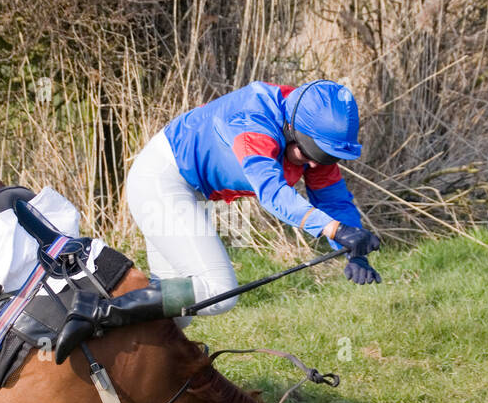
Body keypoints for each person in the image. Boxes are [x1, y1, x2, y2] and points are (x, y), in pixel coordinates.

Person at [53, 79, 380, 363]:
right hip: (161, 180)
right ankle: (94, 311)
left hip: (184, 190)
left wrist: (356, 250)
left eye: (325, 158)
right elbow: (272, 192)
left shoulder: (314, 140)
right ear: (292, 128)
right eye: (310, 154)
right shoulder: (253, 121)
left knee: (175, 316)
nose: (313, 165)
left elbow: (334, 199)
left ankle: (132, 363)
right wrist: (333, 229)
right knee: (218, 291)